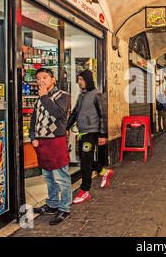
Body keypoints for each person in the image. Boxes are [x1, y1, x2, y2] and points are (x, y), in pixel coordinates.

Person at [30, 68, 72, 225]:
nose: (41, 81)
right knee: (48, 176)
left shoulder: (62, 96)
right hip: (42, 142)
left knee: (61, 176)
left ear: (53, 80)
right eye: (38, 78)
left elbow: (58, 113)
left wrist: (44, 97)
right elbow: (34, 119)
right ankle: (52, 205)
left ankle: (65, 208)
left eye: (45, 78)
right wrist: (33, 136)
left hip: (56, 141)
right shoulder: (39, 98)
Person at [66, 69, 113, 204]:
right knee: (85, 160)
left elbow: (103, 115)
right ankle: (104, 172)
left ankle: (84, 191)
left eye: (81, 79)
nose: (79, 82)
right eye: (78, 79)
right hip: (83, 132)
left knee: (85, 163)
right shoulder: (82, 96)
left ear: (87, 80)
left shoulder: (97, 95)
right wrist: (67, 127)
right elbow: (75, 113)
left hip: (92, 133)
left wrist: (103, 135)